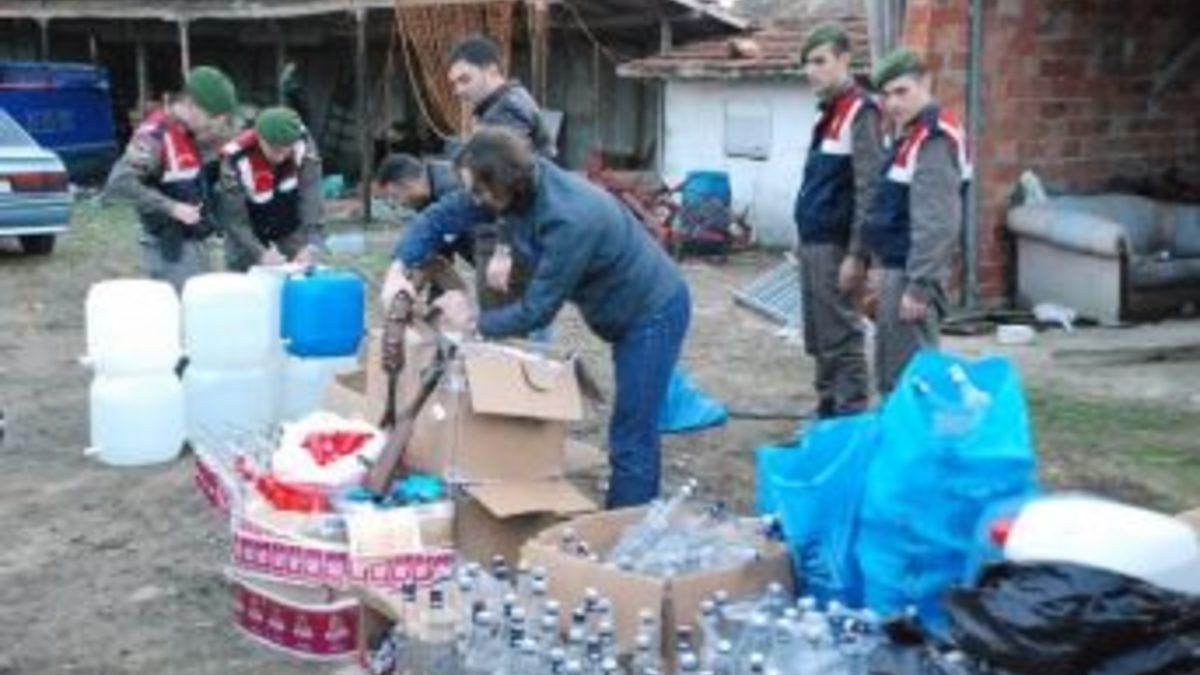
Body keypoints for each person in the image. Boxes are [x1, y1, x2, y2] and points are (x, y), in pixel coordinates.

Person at [441, 127, 690, 508]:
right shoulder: (529, 180)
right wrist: (503, 249)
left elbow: (538, 310)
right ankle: (637, 509)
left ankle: (624, 528)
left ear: (504, 178)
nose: (476, 200)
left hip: (653, 312)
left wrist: (475, 321)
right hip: (626, 308)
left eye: (479, 190)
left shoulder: (568, 219)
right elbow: (505, 215)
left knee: (631, 431)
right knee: (636, 422)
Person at [376, 35, 556, 308]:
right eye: (454, 83)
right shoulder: (497, 110)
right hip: (523, 232)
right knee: (521, 321)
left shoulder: (507, 111)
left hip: (520, 233)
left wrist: (504, 249)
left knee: (513, 325)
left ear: (492, 71)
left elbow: (507, 187)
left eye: (465, 79)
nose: (458, 90)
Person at [864, 48, 972, 395]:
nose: (893, 103)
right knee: (893, 373)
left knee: (911, 378)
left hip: (912, 273)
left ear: (926, 83)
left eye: (902, 91)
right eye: (887, 95)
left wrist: (919, 286)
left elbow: (937, 223)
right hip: (898, 268)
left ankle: (914, 432)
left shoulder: (934, 139)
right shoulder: (911, 135)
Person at [793, 22, 884, 417]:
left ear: (845, 60)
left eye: (820, 61)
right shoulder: (830, 113)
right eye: (807, 64)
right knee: (818, 334)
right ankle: (827, 410)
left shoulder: (861, 112)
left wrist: (857, 254)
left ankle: (849, 416)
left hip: (836, 246)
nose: (811, 71)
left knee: (841, 335)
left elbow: (870, 189)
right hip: (814, 242)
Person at [105, 66, 237, 291]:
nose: (212, 126)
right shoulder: (154, 136)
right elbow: (119, 183)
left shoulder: (190, 134)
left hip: (194, 244)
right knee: (182, 309)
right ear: (192, 106)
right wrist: (171, 207)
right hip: (170, 250)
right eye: (211, 118)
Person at [214, 106, 323, 271]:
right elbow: (235, 219)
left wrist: (312, 243)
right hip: (249, 222)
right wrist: (259, 253)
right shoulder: (233, 160)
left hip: (288, 216)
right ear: (260, 138)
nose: (281, 157)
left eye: (287, 150)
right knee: (243, 273)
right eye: (275, 150)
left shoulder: (303, 141)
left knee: (303, 268)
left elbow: (311, 193)